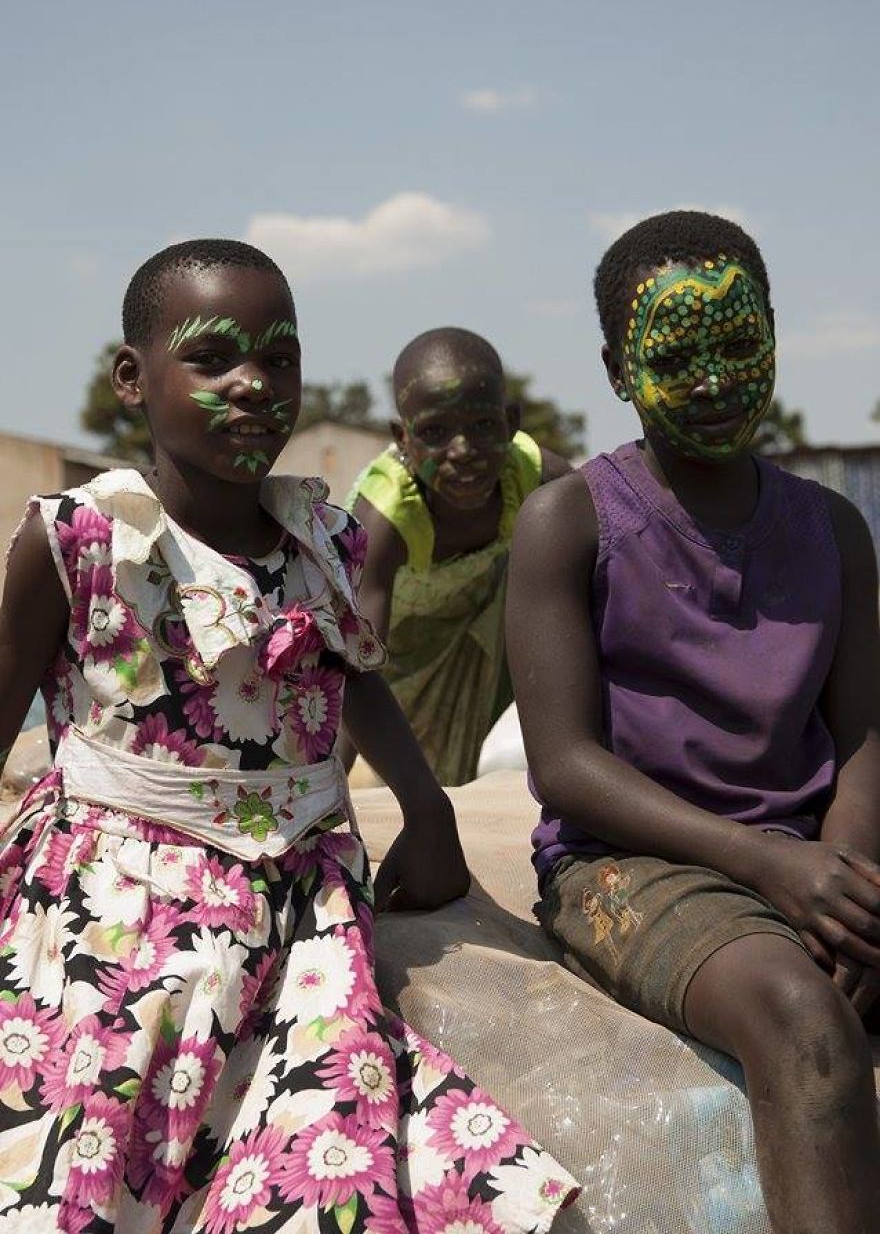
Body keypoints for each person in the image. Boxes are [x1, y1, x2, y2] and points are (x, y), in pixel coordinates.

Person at [0, 240, 578, 1231]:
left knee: (330, 1143)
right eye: (213, 357)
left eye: (279, 358)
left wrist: (427, 807)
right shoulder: (82, 539)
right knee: (83, 1121)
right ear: (133, 377)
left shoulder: (324, 538)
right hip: (112, 892)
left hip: (298, 894)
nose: (253, 383)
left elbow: (349, 672)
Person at [506, 211, 880, 1234]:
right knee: (804, 1024)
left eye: (737, 343)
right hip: (627, 863)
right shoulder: (569, 520)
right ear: (616, 370)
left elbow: (860, 737)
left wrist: (845, 886)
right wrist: (771, 866)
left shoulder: (834, 528)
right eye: (675, 355)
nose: (712, 378)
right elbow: (565, 766)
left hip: (805, 854)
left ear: (774, 336)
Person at [345, 329, 569, 786]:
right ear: (402, 439)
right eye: (434, 432)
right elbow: (357, 660)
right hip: (396, 660)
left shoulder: (535, 476)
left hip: (488, 639)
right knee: (397, 772)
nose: (463, 451)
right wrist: (324, 799)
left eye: (483, 426)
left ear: (511, 421)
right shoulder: (387, 515)